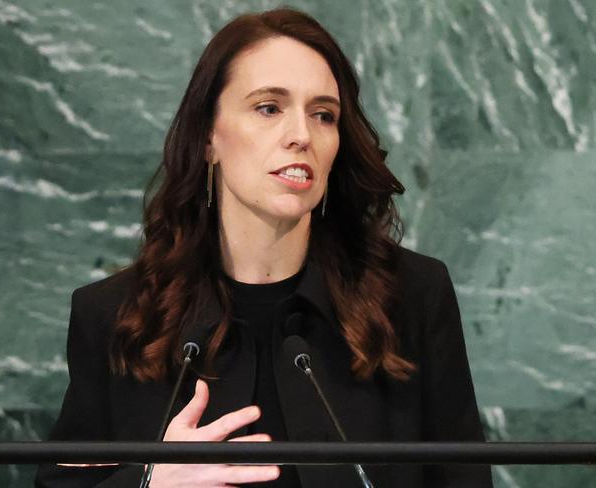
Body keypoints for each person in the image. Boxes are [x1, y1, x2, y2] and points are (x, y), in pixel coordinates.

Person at [35, 7, 493, 488]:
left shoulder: (413, 296)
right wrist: (149, 483)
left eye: (323, 115)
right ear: (209, 135)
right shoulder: (113, 314)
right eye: (269, 107)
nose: (301, 135)